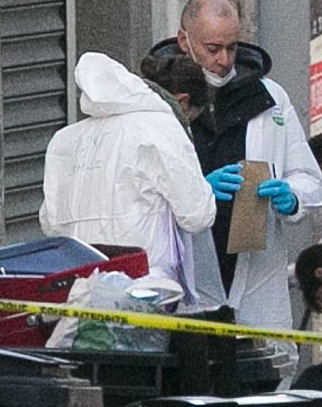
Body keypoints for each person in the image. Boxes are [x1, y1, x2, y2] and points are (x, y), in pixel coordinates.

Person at [149, 0, 322, 372]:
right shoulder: (156, 103)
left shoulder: (268, 98)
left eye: (231, 47)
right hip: (185, 271)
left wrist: (291, 197)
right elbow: (137, 192)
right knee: (193, 387)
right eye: (212, 48)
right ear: (184, 41)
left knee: (267, 386)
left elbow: (309, 179)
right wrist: (196, 193)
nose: (224, 60)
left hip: (256, 271)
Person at [40, 52, 215, 299]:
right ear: (183, 103)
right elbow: (197, 216)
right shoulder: (161, 127)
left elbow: (50, 223)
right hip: (147, 291)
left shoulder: (64, 140)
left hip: (77, 292)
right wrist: (204, 189)